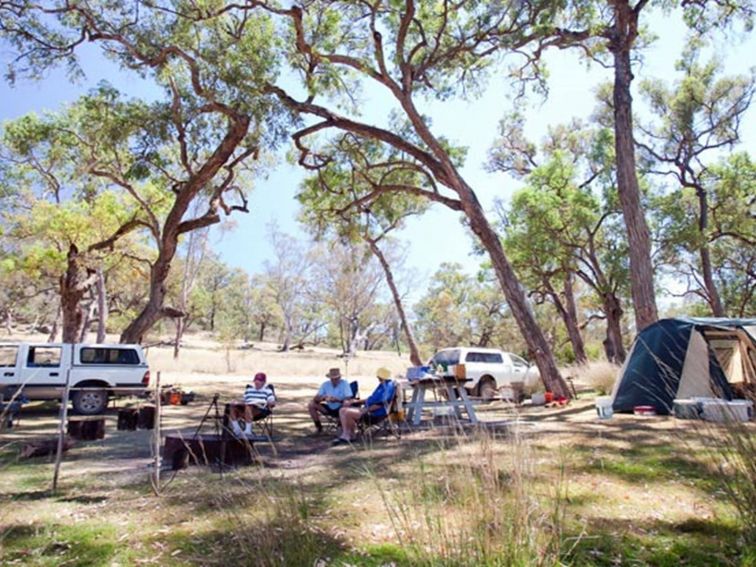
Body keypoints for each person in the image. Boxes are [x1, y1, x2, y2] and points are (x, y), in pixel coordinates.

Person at [333, 367, 396, 444]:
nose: (377, 377)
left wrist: (366, 410)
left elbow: (381, 403)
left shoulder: (388, 387)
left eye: (378, 376)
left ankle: (348, 435)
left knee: (346, 412)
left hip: (374, 414)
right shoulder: (382, 385)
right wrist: (356, 401)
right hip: (369, 409)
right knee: (343, 410)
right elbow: (371, 399)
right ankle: (348, 434)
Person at [230, 372, 276, 437]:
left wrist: (269, 404)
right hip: (246, 408)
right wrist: (237, 402)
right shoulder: (249, 390)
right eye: (256, 381)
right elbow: (244, 400)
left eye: (259, 381)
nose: (257, 382)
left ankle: (248, 431)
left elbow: (272, 402)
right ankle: (237, 429)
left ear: (264, 382)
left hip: (260, 410)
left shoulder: (267, 391)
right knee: (232, 406)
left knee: (249, 406)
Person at [307, 367, 353, 433]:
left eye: (336, 379)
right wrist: (324, 398)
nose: (334, 380)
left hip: (341, 407)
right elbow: (316, 398)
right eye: (332, 379)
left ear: (339, 378)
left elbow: (349, 398)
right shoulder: (325, 384)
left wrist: (338, 400)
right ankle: (318, 427)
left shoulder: (345, 384)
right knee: (311, 404)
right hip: (328, 407)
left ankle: (340, 426)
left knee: (346, 403)